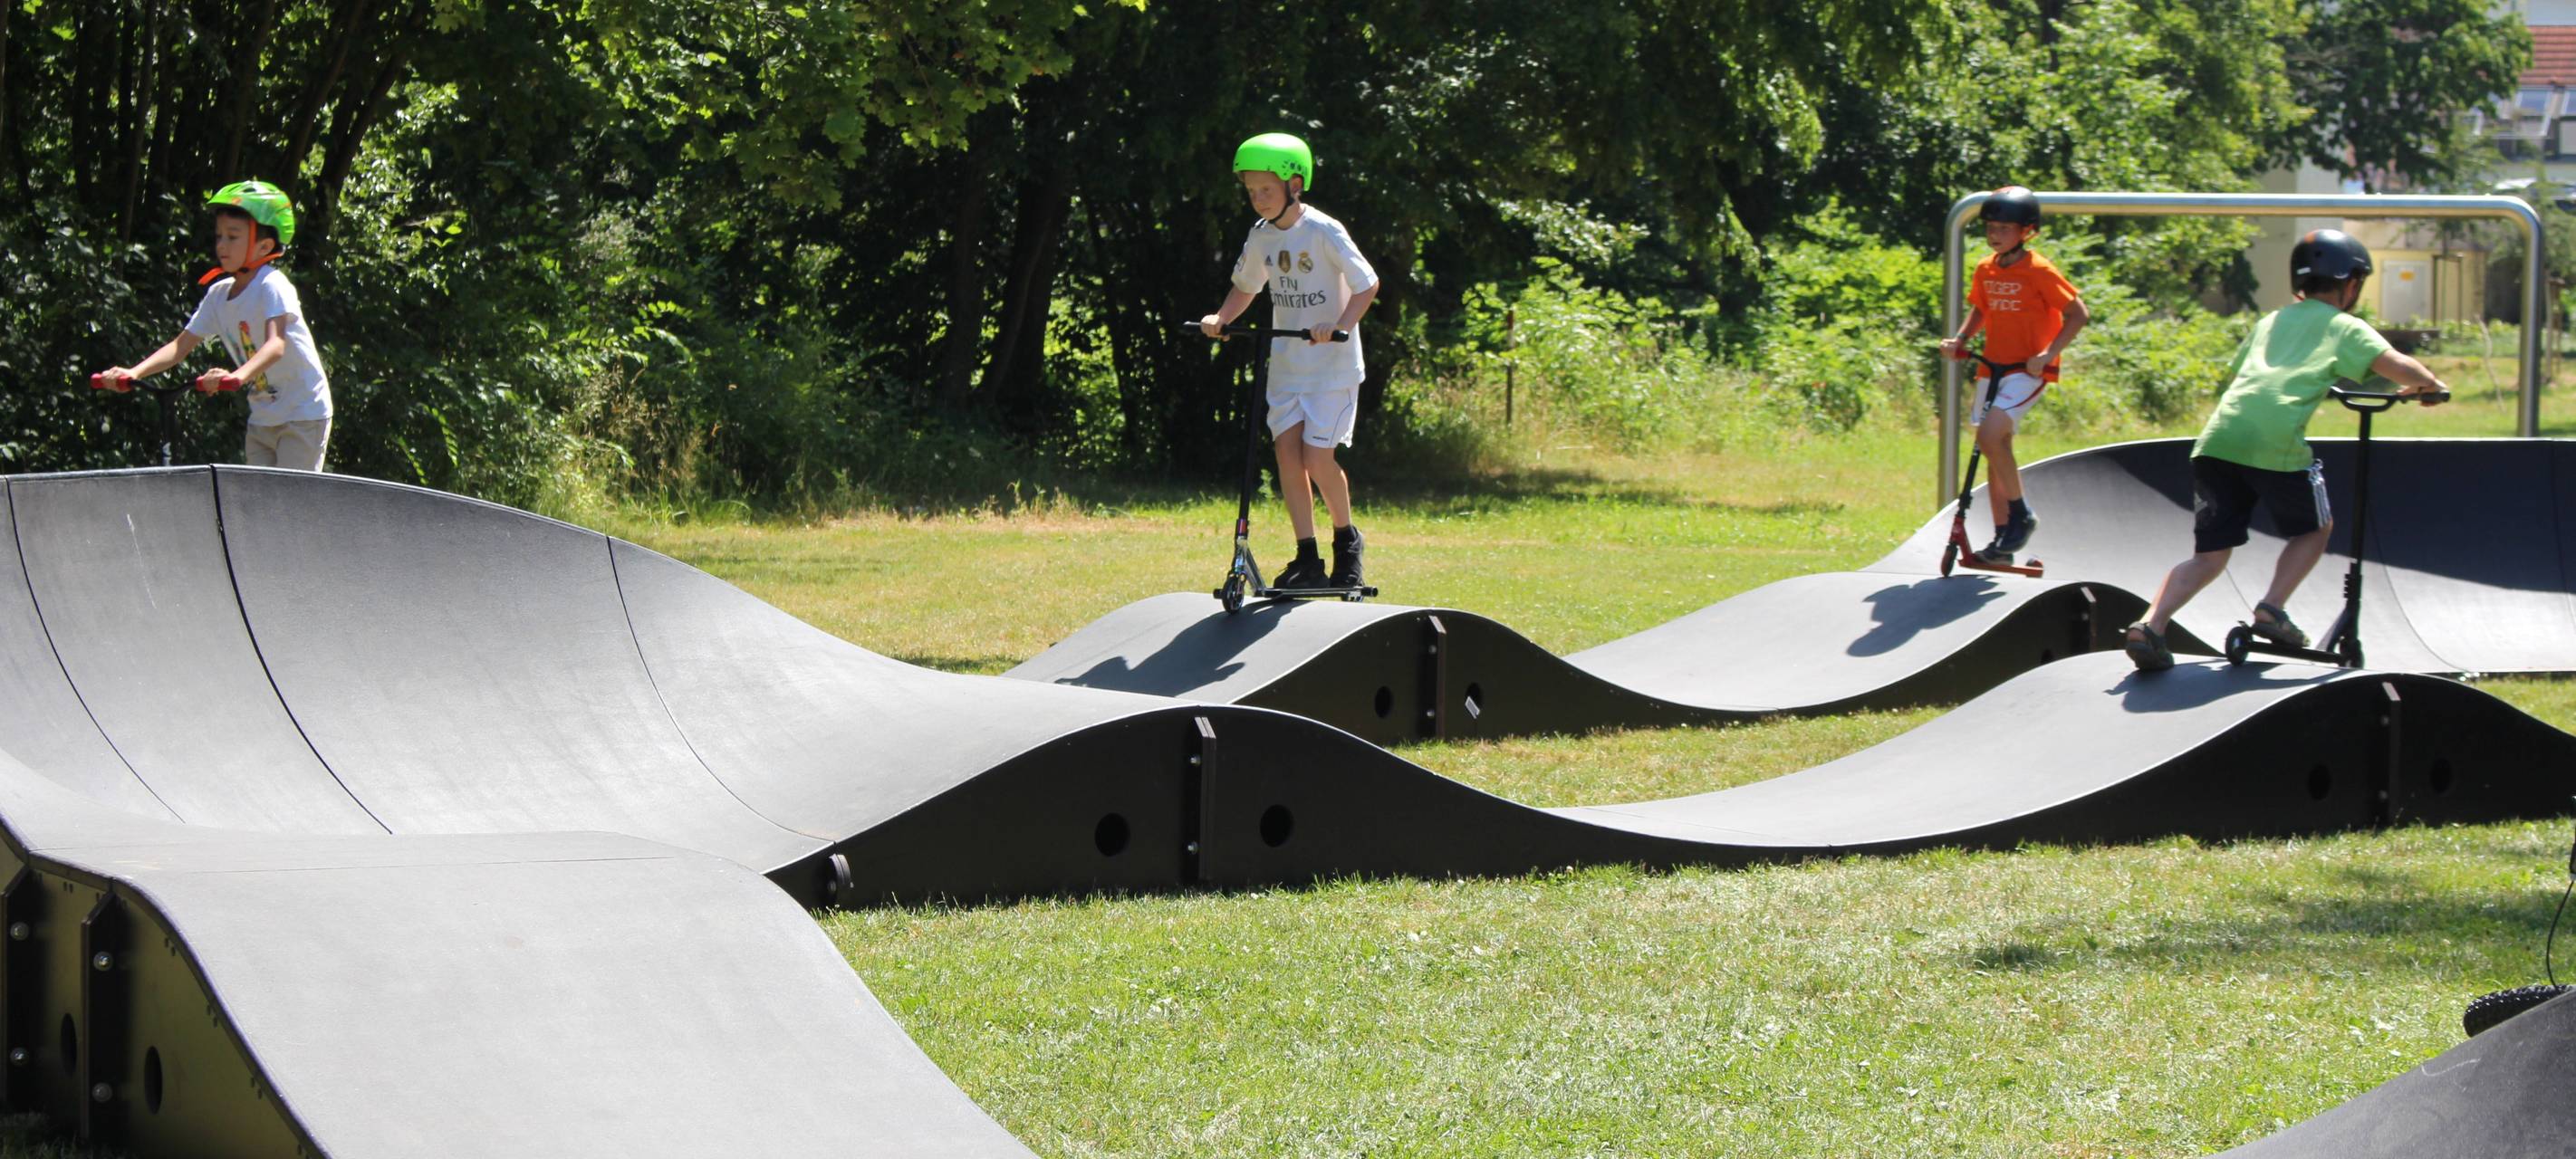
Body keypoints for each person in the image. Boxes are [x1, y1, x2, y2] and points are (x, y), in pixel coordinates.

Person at [2123, 229, 2448, 672]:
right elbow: (2394, 364)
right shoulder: (2342, 325)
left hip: (2217, 439)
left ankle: (2150, 625)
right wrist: (2431, 385)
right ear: (2351, 284)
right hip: (2275, 441)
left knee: (2208, 557)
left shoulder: (2270, 322)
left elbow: (2244, 375)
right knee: (2315, 528)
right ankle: (2272, 609)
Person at [1197, 132, 1381, 589]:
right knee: (1286, 455)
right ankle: (1307, 558)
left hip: (1331, 369)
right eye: (1251, 190)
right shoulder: (1261, 236)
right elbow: (1246, 286)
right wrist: (1221, 318)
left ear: (1294, 185)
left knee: (1317, 458)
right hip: (1287, 366)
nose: (1258, 199)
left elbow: (1367, 284)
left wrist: (1339, 326)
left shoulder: (1323, 231)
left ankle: (1347, 543)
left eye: (1267, 189)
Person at [97, 179, 335, 471]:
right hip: (264, 416)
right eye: (219, 236)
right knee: (258, 496)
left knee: (291, 495)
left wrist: (236, 377)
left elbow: (276, 345)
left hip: (304, 411)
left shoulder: (272, 285)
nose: (222, 245)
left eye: (233, 237)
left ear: (264, 246)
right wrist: (133, 372)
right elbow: (179, 347)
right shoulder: (218, 295)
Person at [1937, 186, 2089, 563]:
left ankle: (2022, 514)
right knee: (1994, 447)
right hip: (1992, 367)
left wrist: (2048, 353)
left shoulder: (2039, 270)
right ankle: (2003, 541)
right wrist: (1960, 339)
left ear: (2027, 231)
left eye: (2005, 228)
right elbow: (1981, 309)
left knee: (1990, 436)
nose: (1995, 234)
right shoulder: (1985, 268)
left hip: (2026, 371)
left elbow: (2078, 314)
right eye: (1991, 227)